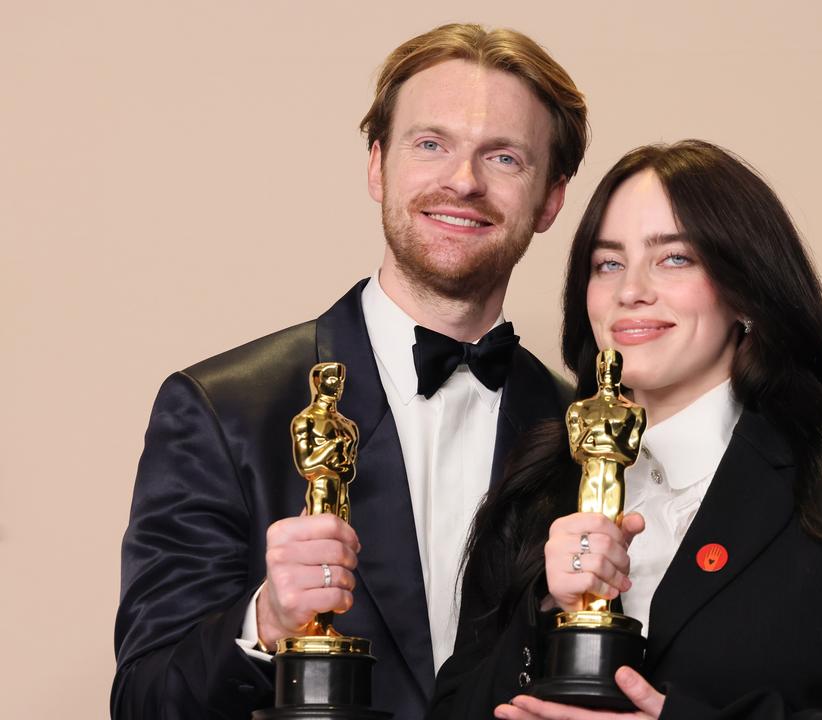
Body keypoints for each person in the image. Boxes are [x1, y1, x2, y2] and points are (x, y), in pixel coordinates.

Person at [112, 24, 587, 719]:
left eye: (505, 158)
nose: (463, 180)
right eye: (431, 144)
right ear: (377, 166)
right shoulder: (221, 410)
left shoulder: (585, 433)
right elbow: (143, 701)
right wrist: (264, 621)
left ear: (550, 199)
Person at [432, 140, 822, 719]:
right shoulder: (536, 482)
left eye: (674, 258)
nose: (630, 291)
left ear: (746, 290)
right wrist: (545, 608)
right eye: (608, 263)